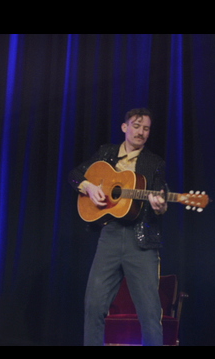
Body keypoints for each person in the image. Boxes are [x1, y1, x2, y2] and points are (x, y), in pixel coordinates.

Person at [68, 108, 168, 346]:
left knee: (150, 312)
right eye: (136, 126)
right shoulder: (107, 153)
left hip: (141, 240)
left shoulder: (154, 162)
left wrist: (159, 205)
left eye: (146, 128)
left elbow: (161, 200)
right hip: (110, 235)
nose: (141, 132)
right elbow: (75, 175)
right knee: (94, 304)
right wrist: (89, 188)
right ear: (125, 127)